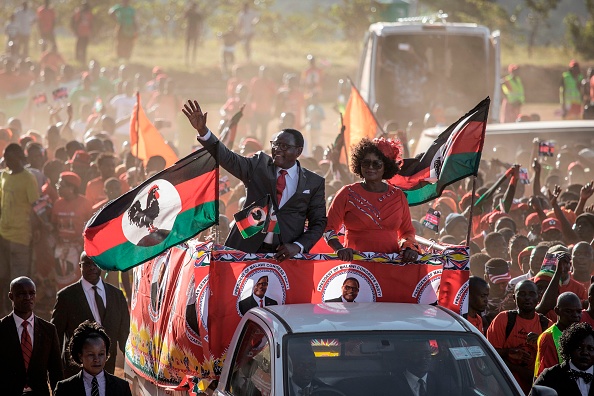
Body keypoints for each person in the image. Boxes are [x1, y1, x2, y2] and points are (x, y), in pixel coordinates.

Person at [183, 99, 327, 260]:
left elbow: (318, 223)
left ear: (299, 151)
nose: (278, 149)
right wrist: (204, 132)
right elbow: (228, 158)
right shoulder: (259, 166)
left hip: (287, 254)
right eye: (275, 144)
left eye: (284, 146)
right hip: (247, 249)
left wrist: (298, 246)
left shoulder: (313, 182)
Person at [324, 137, 419, 261]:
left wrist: (409, 247)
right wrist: (339, 249)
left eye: (376, 164)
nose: (370, 167)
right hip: (356, 269)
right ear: (359, 164)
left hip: (391, 266)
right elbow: (328, 228)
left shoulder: (398, 196)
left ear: (386, 166)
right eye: (366, 163)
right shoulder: (346, 193)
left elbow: (407, 231)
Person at [51, 252, 130, 378]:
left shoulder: (117, 295)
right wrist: (55, 369)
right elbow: (56, 335)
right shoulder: (66, 296)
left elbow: (124, 333)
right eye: (87, 264)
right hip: (76, 369)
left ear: (101, 266)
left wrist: (131, 361)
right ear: (80, 266)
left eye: (95, 263)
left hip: (107, 367)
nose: (92, 267)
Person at [486, 280, 552, 394]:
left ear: (538, 297)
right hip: (504, 389)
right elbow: (489, 355)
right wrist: (509, 353)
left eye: (531, 294)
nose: (527, 298)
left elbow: (553, 359)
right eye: (522, 294)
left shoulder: (547, 325)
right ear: (513, 297)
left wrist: (540, 342)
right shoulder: (503, 320)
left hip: (535, 390)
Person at [0, 276, 63, 396]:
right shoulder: (2, 328)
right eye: (22, 294)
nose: (28, 298)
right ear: (11, 296)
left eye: (31, 293)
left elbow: (56, 371)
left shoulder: (48, 330)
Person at [0, 143, 39, 313]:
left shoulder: (28, 178)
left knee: (19, 281)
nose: (6, 162)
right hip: (3, 236)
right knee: (3, 277)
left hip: (21, 237)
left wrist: (38, 229)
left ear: (18, 158)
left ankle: (19, 315)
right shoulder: (4, 176)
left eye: (9, 158)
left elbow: (35, 207)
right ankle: (4, 312)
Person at [54, 320, 132, 395]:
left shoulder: (121, 387)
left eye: (101, 354)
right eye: (91, 354)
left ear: (106, 354)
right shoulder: (65, 389)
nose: (96, 359)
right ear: (80, 356)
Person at [533, 322, 594, 396]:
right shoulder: (550, 376)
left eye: (590, 348)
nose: (585, 352)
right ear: (569, 348)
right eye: (579, 347)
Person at [535, 292, 583, 377]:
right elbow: (548, 375)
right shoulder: (549, 336)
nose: (575, 315)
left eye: (578, 311)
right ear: (557, 311)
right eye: (569, 311)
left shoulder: (580, 334)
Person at [391, 339, 460, 395]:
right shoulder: (389, 385)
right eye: (418, 354)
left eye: (427, 353)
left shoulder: (445, 383)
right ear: (407, 356)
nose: (423, 358)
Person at [184, 2, 204, 66]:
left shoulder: (196, 14)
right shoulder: (193, 13)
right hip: (192, 31)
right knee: (190, 47)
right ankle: (189, 61)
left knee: (191, 47)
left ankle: (191, 61)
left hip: (192, 31)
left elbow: (184, 16)